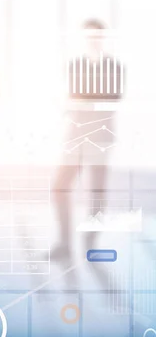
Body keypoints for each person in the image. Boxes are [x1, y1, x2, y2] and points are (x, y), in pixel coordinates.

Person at [52, 19, 124, 263]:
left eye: (96, 35)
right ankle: (64, 243)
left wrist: (83, 101)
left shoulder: (114, 67)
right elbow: (72, 98)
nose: (92, 40)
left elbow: (111, 100)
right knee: (60, 187)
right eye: (88, 36)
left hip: (99, 136)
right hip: (76, 134)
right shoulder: (75, 65)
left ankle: (90, 244)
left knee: (96, 190)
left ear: (102, 37)